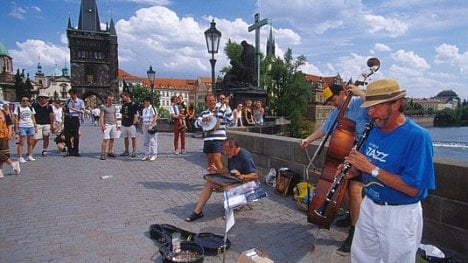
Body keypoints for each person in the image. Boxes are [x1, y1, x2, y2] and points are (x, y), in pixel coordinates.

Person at [342, 79, 435, 262]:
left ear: (396, 104)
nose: (370, 112)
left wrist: (370, 168)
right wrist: (352, 170)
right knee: (362, 258)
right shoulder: (375, 130)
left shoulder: (417, 137)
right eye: (369, 107)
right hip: (369, 205)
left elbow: (413, 189)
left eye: (375, 107)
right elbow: (363, 167)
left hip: (399, 214)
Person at [299, 82, 368, 253]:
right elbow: (325, 128)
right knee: (342, 190)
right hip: (345, 153)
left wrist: (361, 93)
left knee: (354, 190)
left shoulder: (360, 103)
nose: (332, 103)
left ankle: (355, 233)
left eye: (333, 99)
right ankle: (352, 216)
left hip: (362, 153)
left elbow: (378, 105)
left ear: (344, 93)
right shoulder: (337, 112)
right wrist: (308, 139)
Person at [185, 138, 258, 222]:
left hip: (248, 184)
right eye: (224, 150)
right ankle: (198, 211)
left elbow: (255, 175)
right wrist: (216, 171)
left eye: (227, 151)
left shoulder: (245, 157)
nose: (225, 153)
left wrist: (242, 176)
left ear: (234, 148)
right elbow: (228, 169)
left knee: (228, 187)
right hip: (235, 180)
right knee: (209, 183)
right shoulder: (231, 154)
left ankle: (229, 211)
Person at [194, 94, 233, 183]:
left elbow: (231, 121)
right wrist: (203, 120)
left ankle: (222, 181)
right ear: (206, 103)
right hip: (208, 139)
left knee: (217, 159)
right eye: (210, 101)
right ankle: (214, 181)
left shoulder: (221, 111)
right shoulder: (203, 113)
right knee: (210, 162)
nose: (212, 102)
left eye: (213, 100)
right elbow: (196, 124)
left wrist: (227, 106)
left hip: (219, 139)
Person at [0, 102, 21, 178]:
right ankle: (12, 164)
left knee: (3, 153)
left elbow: (9, 123)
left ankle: (0, 170)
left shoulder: (3, 112)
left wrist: (10, 133)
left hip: (3, 135)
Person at [31, 92, 55, 156]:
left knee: (46, 137)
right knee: (36, 138)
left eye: (45, 98)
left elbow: (51, 115)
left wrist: (52, 124)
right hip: (38, 124)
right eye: (41, 98)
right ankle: (30, 150)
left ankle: (45, 150)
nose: (43, 99)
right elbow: (32, 115)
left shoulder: (49, 106)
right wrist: (33, 124)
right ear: (39, 98)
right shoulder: (35, 105)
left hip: (47, 123)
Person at [14, 96, 36, 163]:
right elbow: (16, 119)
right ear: (21, 101)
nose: (25, 102)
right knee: (21, 142)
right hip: (22, 126)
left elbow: (33, 118)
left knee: (30, 142)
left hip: (30, 126)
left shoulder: (31, 108)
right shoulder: (18, 108)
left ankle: (30, 155)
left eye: (27, 100)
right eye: (23, 100)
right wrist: (16, 128)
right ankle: (20, 157)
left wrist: (35, 126)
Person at [63, 88, 85, 157]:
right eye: (70, 95)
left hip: (75, 118)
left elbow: (82, 111)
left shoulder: (80, 101)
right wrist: (65, 109)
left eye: (72, 95)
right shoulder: (67, 101)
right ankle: (69, 150)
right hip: (67, 118)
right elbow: (64, 109)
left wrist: (73, 109)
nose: (71, 96)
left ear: (75, 94)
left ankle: (76, 151)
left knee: (76, 135)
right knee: (67, 135)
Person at [119, 92, 139, 157]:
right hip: (124, 123)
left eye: (123, 97)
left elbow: (135, 114)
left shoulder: (133, 104)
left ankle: (134, 151)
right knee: (125, 138)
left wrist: (134, 123)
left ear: (127, 96)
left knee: (133, 138)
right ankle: (126, 151)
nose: (122, 98)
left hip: (131, 124)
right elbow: (122, 114)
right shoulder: (123, 105)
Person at [99, 95, 119, 160]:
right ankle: (103, 153)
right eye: (110, 100)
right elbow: (101, 117)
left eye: (112, 100)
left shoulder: (114, 107)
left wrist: (116, 125)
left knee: (112, 139)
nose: (111, 101)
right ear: (107, 100)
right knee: (105, 139)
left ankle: (110, 152)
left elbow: (115, 116)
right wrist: (102, 125)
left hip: (113, 124)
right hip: (107, 124)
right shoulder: (104, 107)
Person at [140, 97, 158, 161]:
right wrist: (142, 127)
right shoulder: (144, 109)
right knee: (145, 141)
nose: (146, 103)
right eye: (145, 101)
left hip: (151, 125)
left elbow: (155, 116)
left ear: (149, 102)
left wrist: (152, 125)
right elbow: (143, 119)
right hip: (145, 125)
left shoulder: (152, 108)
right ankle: (146, 154)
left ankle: (154, 154)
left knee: (153, 141)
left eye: (147, 101)